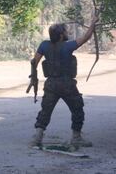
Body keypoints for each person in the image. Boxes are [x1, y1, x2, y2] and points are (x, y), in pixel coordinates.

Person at [29, 14, 99, 148]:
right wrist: (93, 23)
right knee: (78, 109)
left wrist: (33, 78)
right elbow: (86, 37)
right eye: (65, 31)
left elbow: (34, 62)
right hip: (67, 85)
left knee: (45, 111)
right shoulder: (68, 46)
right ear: (61, 35)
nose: (67, 33)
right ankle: (76, 137)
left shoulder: (44, 45)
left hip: (51, 85)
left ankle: (37, 137)